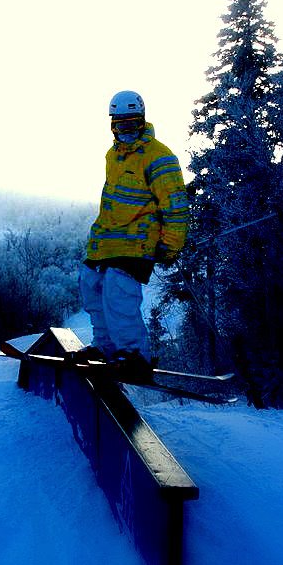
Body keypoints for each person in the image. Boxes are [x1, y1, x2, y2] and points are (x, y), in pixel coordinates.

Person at [77, 90, 189, 381]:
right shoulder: (112, 155)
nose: (126, 132)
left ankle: (133, 354)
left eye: (132, 125)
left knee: (118, 291)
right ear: (112, 125)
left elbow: (175, 204)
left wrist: (170, 244)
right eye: (120, 125)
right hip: (106, 240)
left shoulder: (160, 157)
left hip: (137, 242)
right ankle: (105, 348)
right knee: (92, 287)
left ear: (142, 121)